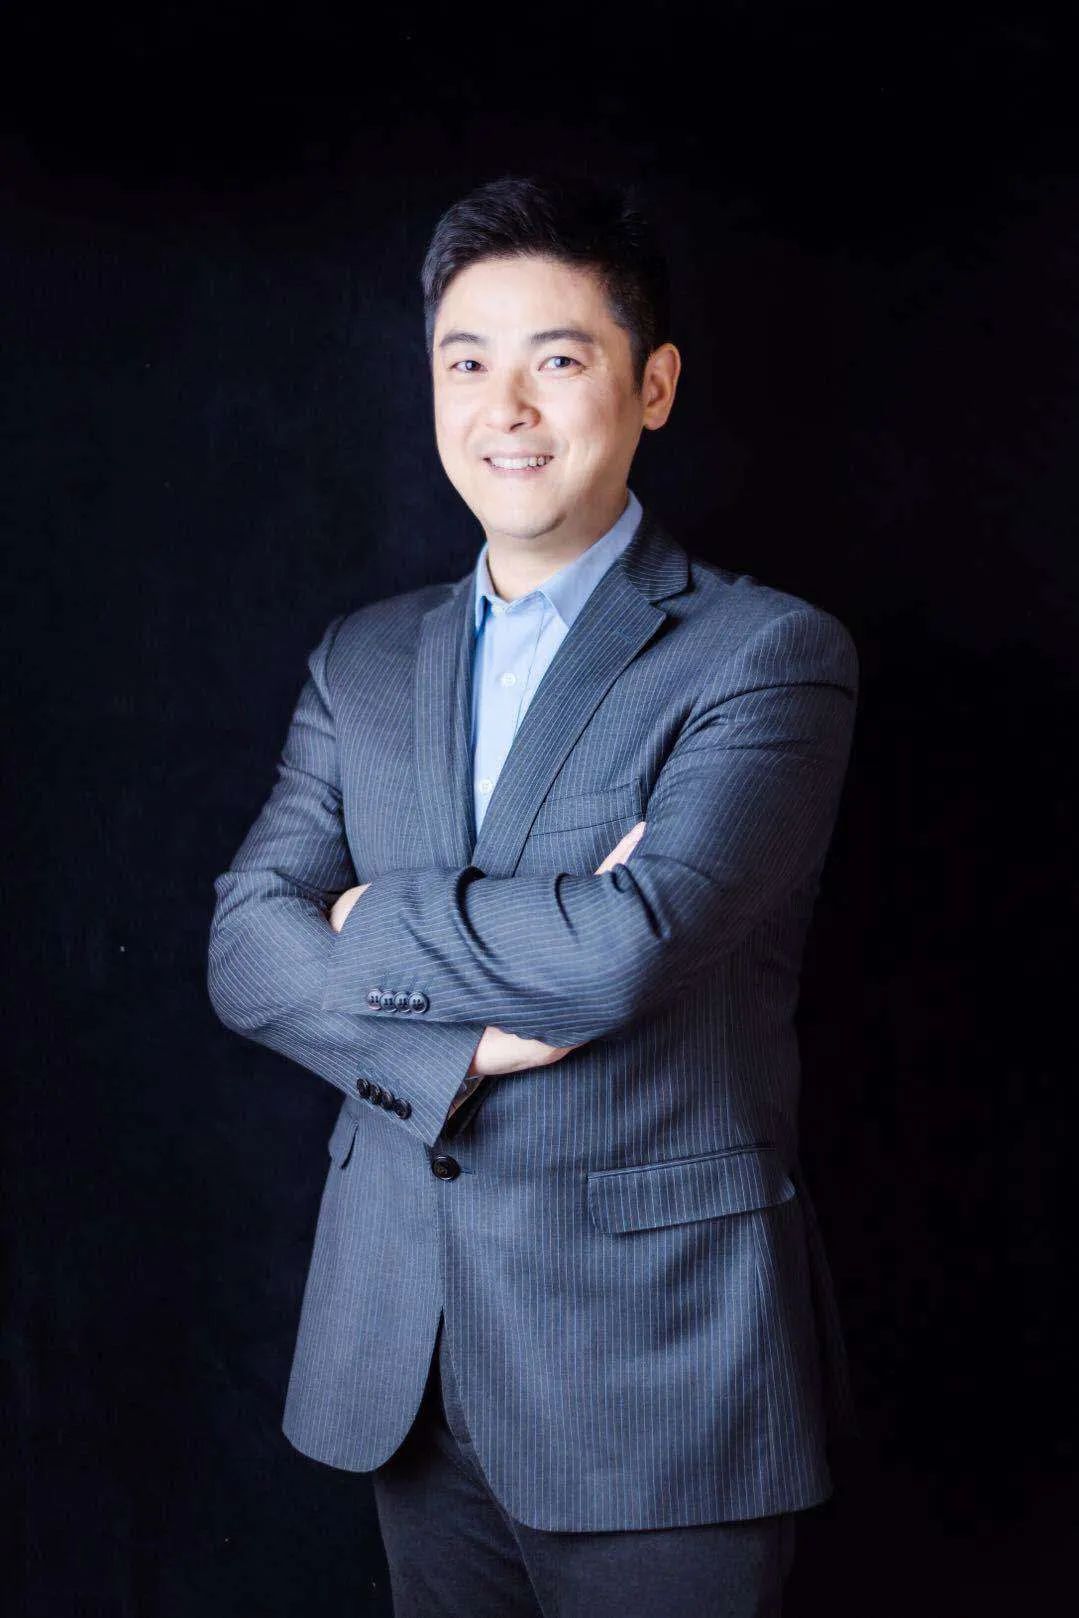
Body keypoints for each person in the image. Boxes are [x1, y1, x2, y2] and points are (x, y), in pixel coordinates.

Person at [207, 172, 860, 1617]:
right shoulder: (362, 659)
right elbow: (245, 950)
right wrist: (479, 1042)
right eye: (467, 363)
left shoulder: (766, 656)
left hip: (660, 1380)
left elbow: (623, 952)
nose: (505, 407)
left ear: (654, 386)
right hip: (409, 1355)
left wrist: (360, 917)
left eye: (556, 360)